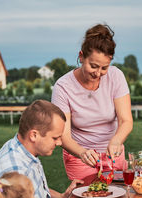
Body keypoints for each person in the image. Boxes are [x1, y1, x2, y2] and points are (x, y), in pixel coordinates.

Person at [51, 23, 133, 180]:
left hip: (113, 154)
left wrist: (116, 141)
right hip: (80, 156)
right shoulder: (63, 87)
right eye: (93, 66)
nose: (98, 73)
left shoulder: (116, 77)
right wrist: (82, 152)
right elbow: (64, 136)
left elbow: (126, 121)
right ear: (81, 56)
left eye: (104, 68)